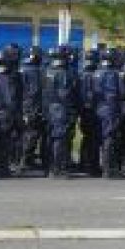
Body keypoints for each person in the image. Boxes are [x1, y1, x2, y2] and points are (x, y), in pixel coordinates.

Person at [44, 47, 79, 178]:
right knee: (60, 139)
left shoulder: (48, 71)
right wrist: (71, 110)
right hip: (61, 109)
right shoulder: (64, 73)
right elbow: (65, 94)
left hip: (50, 108)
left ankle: (52, 166)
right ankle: (57, 169)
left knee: (52, 138)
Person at [0, 47, 24, 178]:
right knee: (6, 142)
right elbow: (11, 98)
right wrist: (17, 115)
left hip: (1, 113)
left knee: (2, 141)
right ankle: (3, 168)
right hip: (7, 114)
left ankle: (2, 167)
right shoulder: (9, 77)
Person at [94, 48, 125, 178]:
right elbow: (119, 93)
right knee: (110, 138)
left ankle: (105, 167)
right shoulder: (114, 74)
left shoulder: (97, 73)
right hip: (110, 108)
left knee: (102, 137)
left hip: (99, 108)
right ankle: (109, 169)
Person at [20, 46, 46, 174]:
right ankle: (25, 161)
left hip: (24, 106)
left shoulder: (22, 69)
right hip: (32, 106)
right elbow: (35, 92)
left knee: (27, 133)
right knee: (32, 133)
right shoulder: (34, 71)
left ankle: (25, 160)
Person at [78, 48, 102, 176]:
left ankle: (84, 163)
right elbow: (91, 94)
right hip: (91, 110)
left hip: (84, 110)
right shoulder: (92, 75)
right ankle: (91, 166)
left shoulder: (81, 74)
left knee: (87, 138)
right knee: (93, 138)